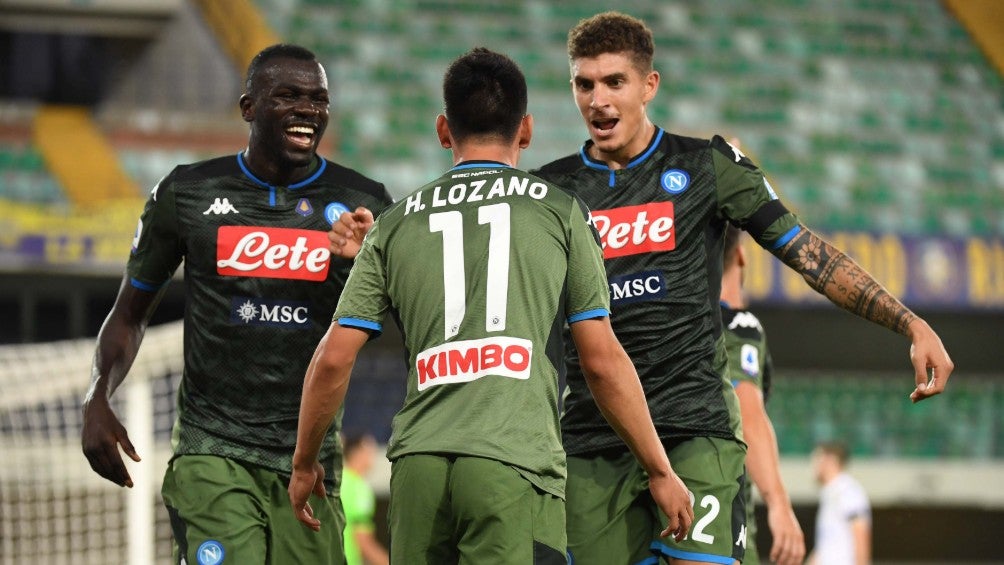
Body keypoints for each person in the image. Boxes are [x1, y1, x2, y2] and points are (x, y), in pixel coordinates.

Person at [530, 11, 953, 565]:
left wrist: (911, 322)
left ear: (648, 85)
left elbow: (808, 253)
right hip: (592, 438)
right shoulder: (551, 190)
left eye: (615, 82)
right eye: (584, 84)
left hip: (694, 427)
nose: (598, 100)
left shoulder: (707, 166)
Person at [288, 46, 693, 565]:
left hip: (418, 468)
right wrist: (660, 470)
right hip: (513, 464)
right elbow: (600, 360)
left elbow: (334, 358)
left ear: (442, 130)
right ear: (525, 130)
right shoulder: (562, 212)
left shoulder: (394, 225)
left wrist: (304, 462)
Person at [81, 43, 393, 565]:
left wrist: (366, 267)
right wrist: (97, 395)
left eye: (318, 99)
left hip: (310, 461)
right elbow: (130, 314)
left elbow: (403, 317)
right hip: (212, 451)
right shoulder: (187, 193)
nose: (307, 111)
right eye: (288, 96)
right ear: (248, 107)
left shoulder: (366, 203)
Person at [720, 223, 804, 565]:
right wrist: (779, 502)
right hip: (722, 505)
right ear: (741, 255)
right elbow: (746, 411)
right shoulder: (739, 326)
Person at [808, 441, 871, 565]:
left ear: (831, 461)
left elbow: (860, 532)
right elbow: (827, 544)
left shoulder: (847, 489)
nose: (813, 466)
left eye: (817, 459)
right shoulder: (831, 492)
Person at [341, 432, 389, 565]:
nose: (373, 454)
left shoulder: (337, 482)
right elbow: (364, 543)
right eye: (370, 449)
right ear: (359, 452)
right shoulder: (359, 488)